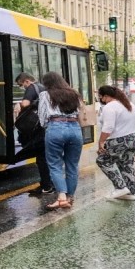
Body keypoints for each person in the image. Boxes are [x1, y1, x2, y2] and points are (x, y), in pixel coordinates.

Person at [37, 71, 84, 210]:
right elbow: (81, 111)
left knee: (55, 164)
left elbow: (42, 116)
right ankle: (70, 197)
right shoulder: (74, 93)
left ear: (47, 83)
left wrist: (48, 126)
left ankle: (62, 198)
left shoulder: (45, 95)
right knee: (72, 165)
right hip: (75, 128)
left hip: (55, 127)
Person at [96, 85, 135, 201]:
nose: (100, 99)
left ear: (105, 96)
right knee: (126, 165)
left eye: (100, 96)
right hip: (133, 138)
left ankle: (120, 187)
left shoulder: (110, 107)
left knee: (102, 161)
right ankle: (131, 192)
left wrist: (101, 142)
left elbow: (108, 127)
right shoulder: (129, 104)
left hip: (119, 140)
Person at [14, 72, 53, 195]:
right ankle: (48, 184)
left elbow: (25, 103)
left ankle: (47, 186)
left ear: (27, 81)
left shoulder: (32, 88)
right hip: (46, 128)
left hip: (39, 130)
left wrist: (17, 104)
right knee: (46, 158)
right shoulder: (42, 88)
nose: (23, 87)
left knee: (42, 159)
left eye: (21, 85)